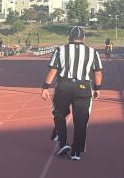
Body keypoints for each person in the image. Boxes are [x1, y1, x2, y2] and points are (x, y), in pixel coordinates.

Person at [41, 26, 103, 160]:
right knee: (81, 120)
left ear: (69, 36)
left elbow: (53, 71)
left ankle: (63, 143)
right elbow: (97, 72)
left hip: (64, 86)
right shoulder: (92, 52)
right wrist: (97, 88)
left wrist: (45, 87)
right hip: (83, 86)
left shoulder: (60, 50)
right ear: (84, 38)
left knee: (58, 114)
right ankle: (76, 152)